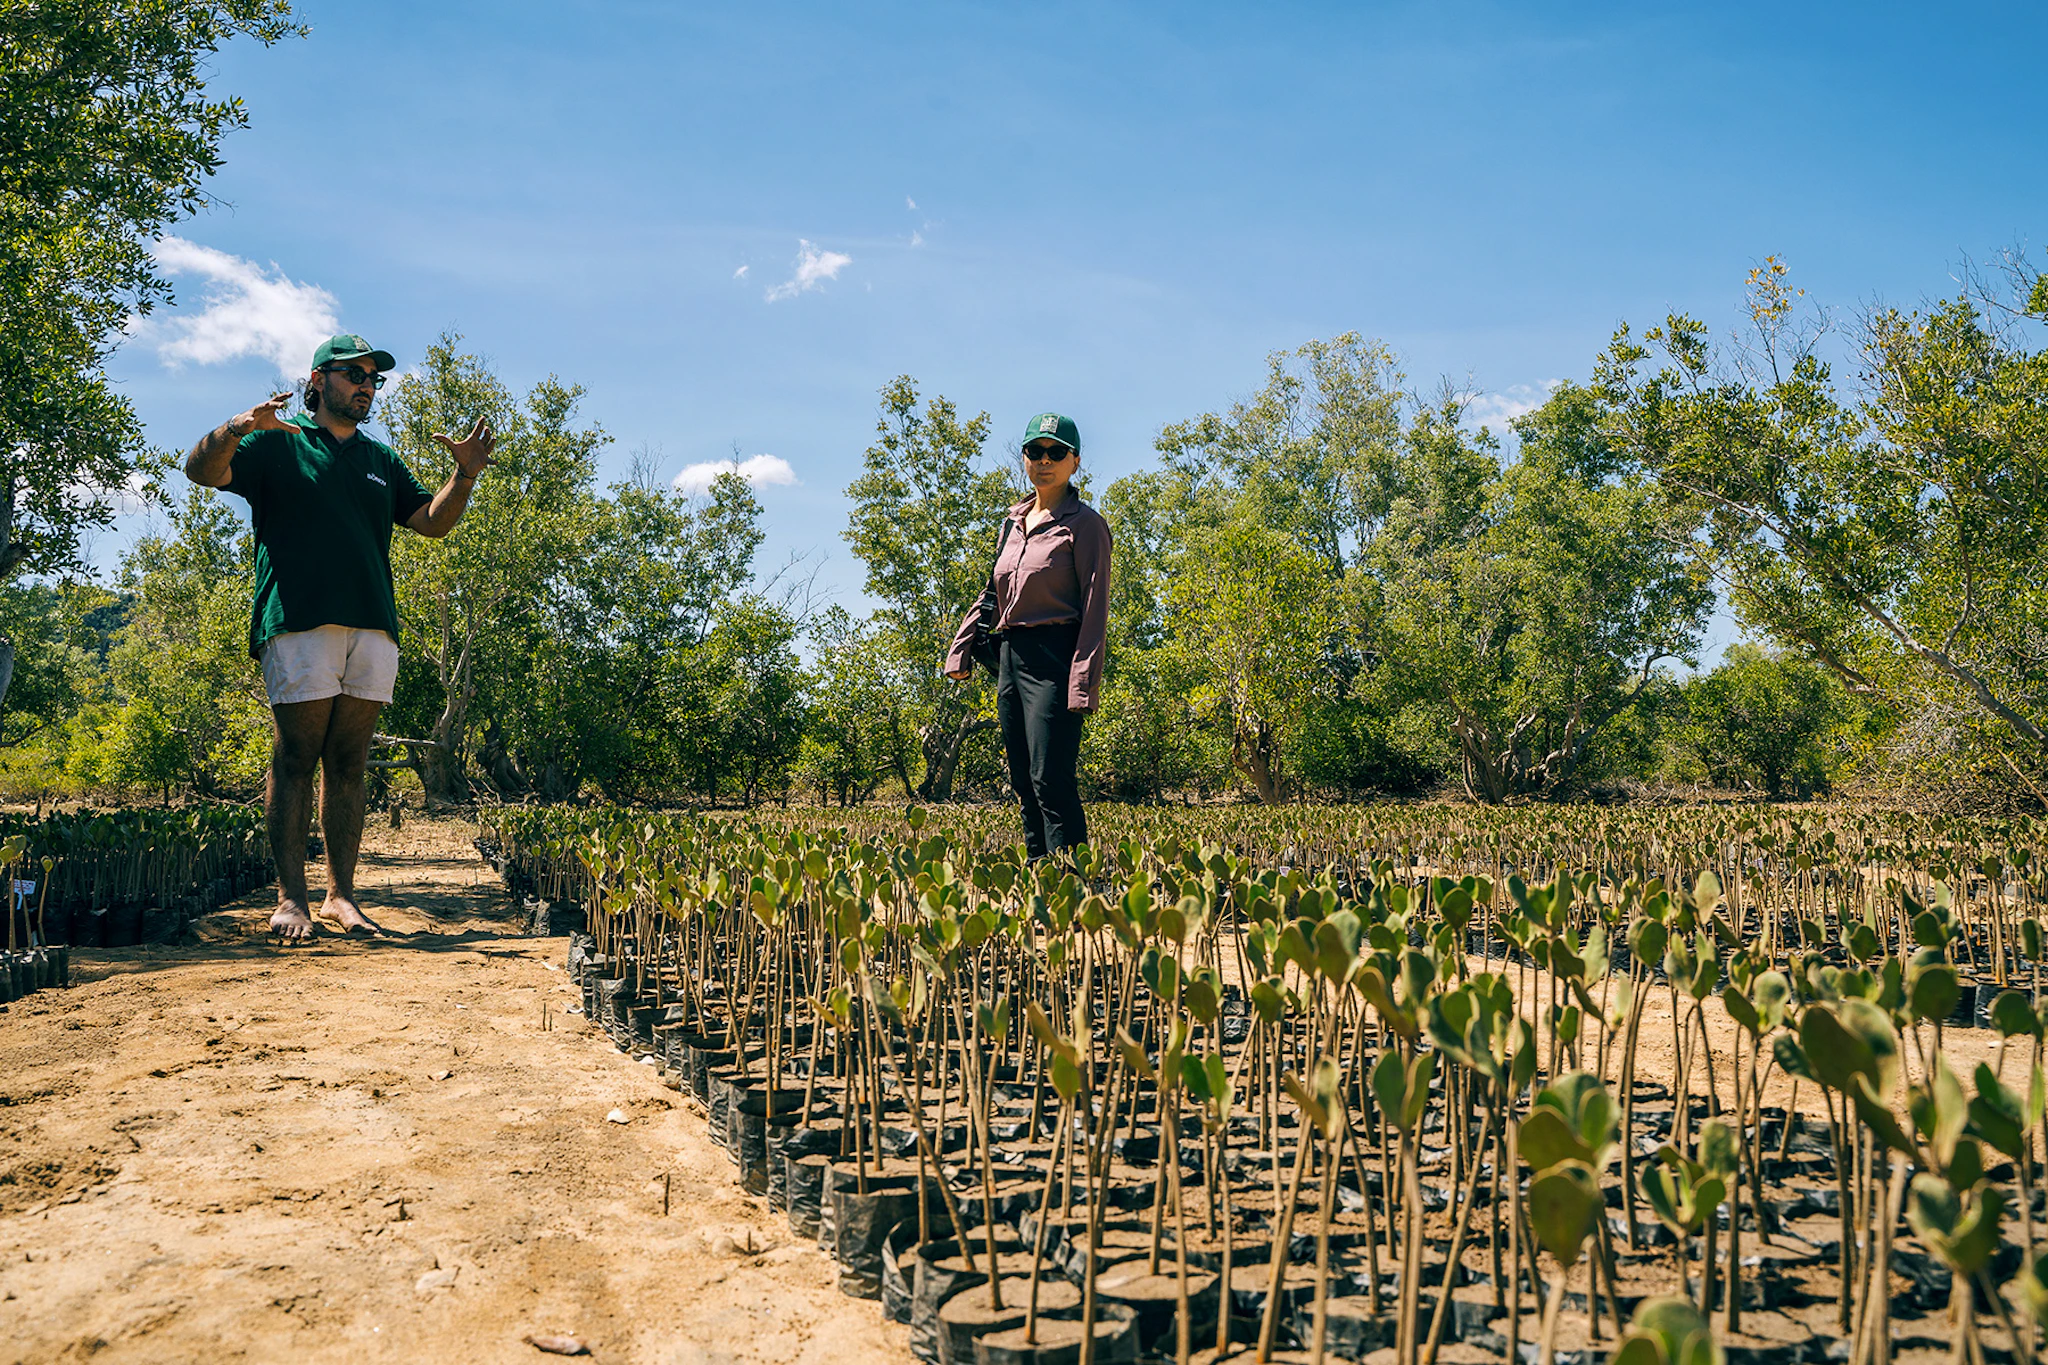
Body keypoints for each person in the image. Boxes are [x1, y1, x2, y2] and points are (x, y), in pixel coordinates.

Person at [184, 334, 495, 941]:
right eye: (354, 374)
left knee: (349, 761)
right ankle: (290, 900)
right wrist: (236, 427)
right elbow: (200, 470)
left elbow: (431, 523)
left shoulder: (381, 460)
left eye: (373, 378)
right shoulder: (278, 442)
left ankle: (341, 898)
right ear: (319, 379)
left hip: (372, 624)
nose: (366, 385)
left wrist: (464, 476)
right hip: (298, 621)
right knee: (297, 755)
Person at [945, 413, 1111, 859]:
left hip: (1056, 656)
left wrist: (1082, 681)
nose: (1044, 460)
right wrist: (960, 651)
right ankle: (1040, 879)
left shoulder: (1085, 524)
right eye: (1035, 451)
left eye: (1056, 452)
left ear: (1075, 462)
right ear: (1024, 459)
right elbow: (990, 593)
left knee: (1050, 778)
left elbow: (1095, 609)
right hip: (1010, 657)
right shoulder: (1013, 522)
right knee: (1022, 780)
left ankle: (1072, 888)